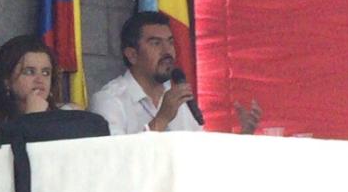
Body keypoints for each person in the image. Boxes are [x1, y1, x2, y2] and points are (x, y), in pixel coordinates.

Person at [90, 11, 262, 135]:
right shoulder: (109, 100)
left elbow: (200, 157)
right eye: (156, 43)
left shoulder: (177, 99)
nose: (168, 51)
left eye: (170, 42)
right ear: (132, 55)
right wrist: (162, 119)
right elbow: (115, 163)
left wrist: (243, 136)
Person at [0, 35, 68, 145]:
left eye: (46, 72)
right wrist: (32, 118)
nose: (40, 80)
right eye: (29, 72)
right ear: (7, 81)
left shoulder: (68, 116)